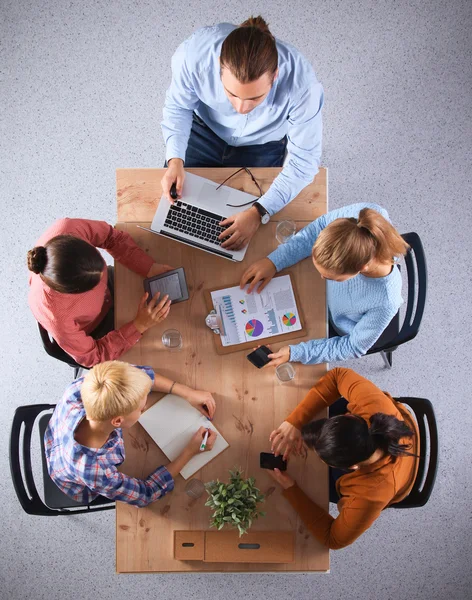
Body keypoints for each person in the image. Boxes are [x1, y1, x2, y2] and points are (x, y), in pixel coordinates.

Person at [161, 16, 323, 251]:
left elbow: (304, 162)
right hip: (204, 131)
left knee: (250, 239)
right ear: (218, 65)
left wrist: (259, 212)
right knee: (177, 217)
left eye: (255, 98)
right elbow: (178, 106)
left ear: (275, 76)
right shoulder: (193, 54)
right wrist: (175, 159)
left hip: (263, 145)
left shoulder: (303, 86)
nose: (241, 109)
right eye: (231, 94)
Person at [267, 367, 419, 549]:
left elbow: (333, 539)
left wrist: (291, 489)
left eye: (322, 458)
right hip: (391, 431)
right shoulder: (374, 406)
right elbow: (338, 375)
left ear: (351, 467)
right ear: (351, 416)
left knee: (314, 485)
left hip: (391, 480)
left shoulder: (369, 496)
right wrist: (295, 421)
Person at [240, 203, 409, 365]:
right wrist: (274, 261)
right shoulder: (361, 217)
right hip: (319, 297)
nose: (321, 277)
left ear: (361, 268)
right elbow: (318, 228)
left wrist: (296, 353)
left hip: (332, 325)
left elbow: (353, 346)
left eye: (330, 277)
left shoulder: (386, 301)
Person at [44, 361, 217, 507]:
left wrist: (187, 392)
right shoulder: (96, 471)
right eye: (140, 408)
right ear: (117, 421)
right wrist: (190, 452)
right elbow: (146, 493)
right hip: (75, 479)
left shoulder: (85, 387)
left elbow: (137, 377)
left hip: (58, 435)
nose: (145, 406)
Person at [28, 218, 174, 368]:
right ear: (73, 291)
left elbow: (111, 238)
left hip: (113, 293)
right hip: (100, 329)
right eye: (93, 287)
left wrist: (148, 267)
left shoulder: (69, 228)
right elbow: (95, 357)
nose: (101, 285)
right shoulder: (56, 316)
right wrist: (138, 326)